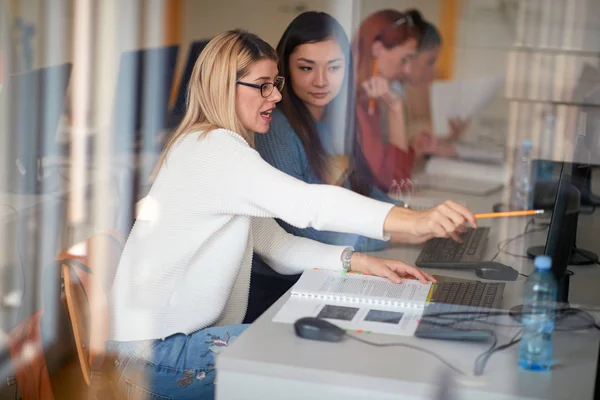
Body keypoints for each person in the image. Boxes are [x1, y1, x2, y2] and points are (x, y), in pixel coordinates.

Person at [108, 29, 475, 400]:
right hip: (155, 356)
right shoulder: (213, 149)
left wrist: (355, 260)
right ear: (224, 86)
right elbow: (309, 205)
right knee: (316, 361)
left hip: (163, 347)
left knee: (318, 349)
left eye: (276, 84)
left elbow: (275, 244)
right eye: (263, 86)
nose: (277, 96)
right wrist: (414, 220)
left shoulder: (216, 148)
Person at [247, 11, 402, 321]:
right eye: (306, 68)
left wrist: (410, 216)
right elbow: (298, 227)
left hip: (320, 274)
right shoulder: (276, 128)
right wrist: (393, 232)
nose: (321, 81)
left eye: (334, 67)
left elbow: (358, 188)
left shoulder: (333, 118)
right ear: (285, 69)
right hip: (279, 287)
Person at [352, 9, 436, 193]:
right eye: (404, 59)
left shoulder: (372, 100)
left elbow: (398, 178)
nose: (407, 70)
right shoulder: (358, 104)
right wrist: (395, 111)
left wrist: (413, 152)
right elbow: (396, 183)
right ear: (377, 50)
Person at [403, 15, 470, 157]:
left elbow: (420, 138)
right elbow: (401, 141)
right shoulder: (388, 92)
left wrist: (449, 133)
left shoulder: (421, 85)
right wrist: (438, 129)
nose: (432, 71)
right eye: (429, 61)